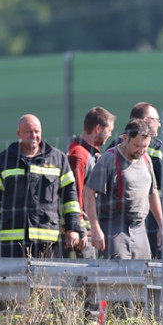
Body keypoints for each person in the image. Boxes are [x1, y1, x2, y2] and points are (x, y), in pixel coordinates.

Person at [0, 114, 82, 259]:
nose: (33, 135)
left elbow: (71, 199)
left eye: (37, 131)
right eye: (29, 131)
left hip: (48, 239)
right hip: (13, 240)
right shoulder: (2, 161)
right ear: (18, 133)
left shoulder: (59, 160)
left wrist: (73, 228)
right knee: (13, 281)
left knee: (47, 281)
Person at [109, 102, 163, 260]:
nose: (159, 125)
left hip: (122, 221)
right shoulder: (159, 147)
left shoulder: (116, 146)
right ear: (145, 120)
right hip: (157, 215)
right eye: (156, 120)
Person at [86, 119, 163, 260]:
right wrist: (95, 228)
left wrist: (162, 225)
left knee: (143, 273)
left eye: (145, 146)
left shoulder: (146, 159)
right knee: (117, 274)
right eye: (137, 146)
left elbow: (152, 193)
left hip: (139, 227)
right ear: (125, 138)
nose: (141, 150)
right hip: (114, 226)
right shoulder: (109, 159)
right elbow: (89, 192)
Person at [62, 106, 115, 258]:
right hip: (82, 235)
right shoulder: (79, 155)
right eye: (109, 130)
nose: (110, 134)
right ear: (98, 128)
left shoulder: (86, 153)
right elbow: (75, 195)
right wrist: (79, 229)